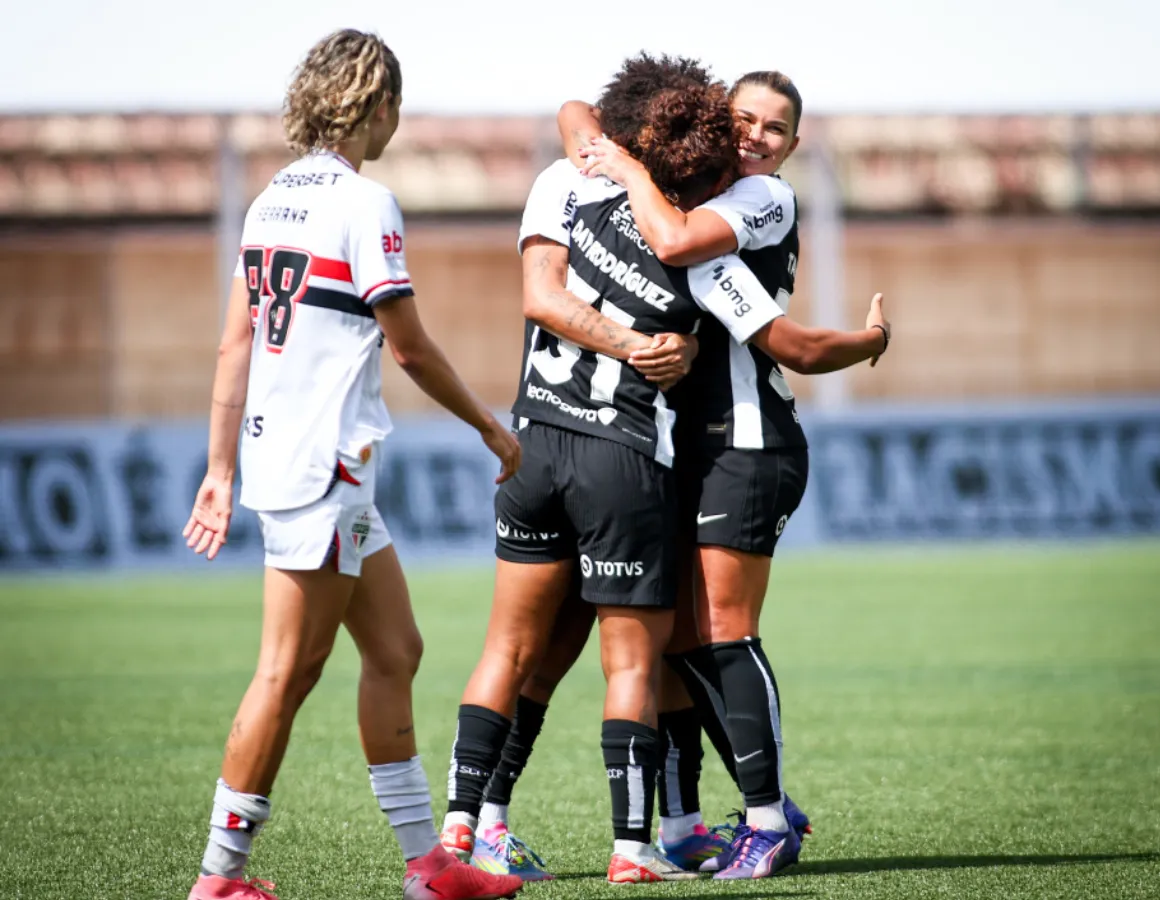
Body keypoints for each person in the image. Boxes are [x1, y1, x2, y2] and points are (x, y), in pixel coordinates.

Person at [475, 63, 891, 881]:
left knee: (718, 630)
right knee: (664, 640)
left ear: (793, 145)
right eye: (744, 120)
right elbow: (576, 110)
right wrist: (608, 151)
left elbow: (788, 341)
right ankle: (689, 823)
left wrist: (872, 341)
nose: (756, 136)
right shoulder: (674, 200)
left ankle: (765, 816)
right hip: (661, 450)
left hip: (746, 444)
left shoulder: (752, 205)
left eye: (775, 128)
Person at [181, 29, 525, 900]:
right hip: (323, 469)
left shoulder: (268, 202)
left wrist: (219, 468)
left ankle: (427, 867)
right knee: (285, 672)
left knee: (396, 648)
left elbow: (233, 345)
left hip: (304, 464)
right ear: (378, 105)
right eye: (395, 106)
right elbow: (409, 348)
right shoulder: (366, 203)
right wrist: (490, 426)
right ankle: (219, 879)